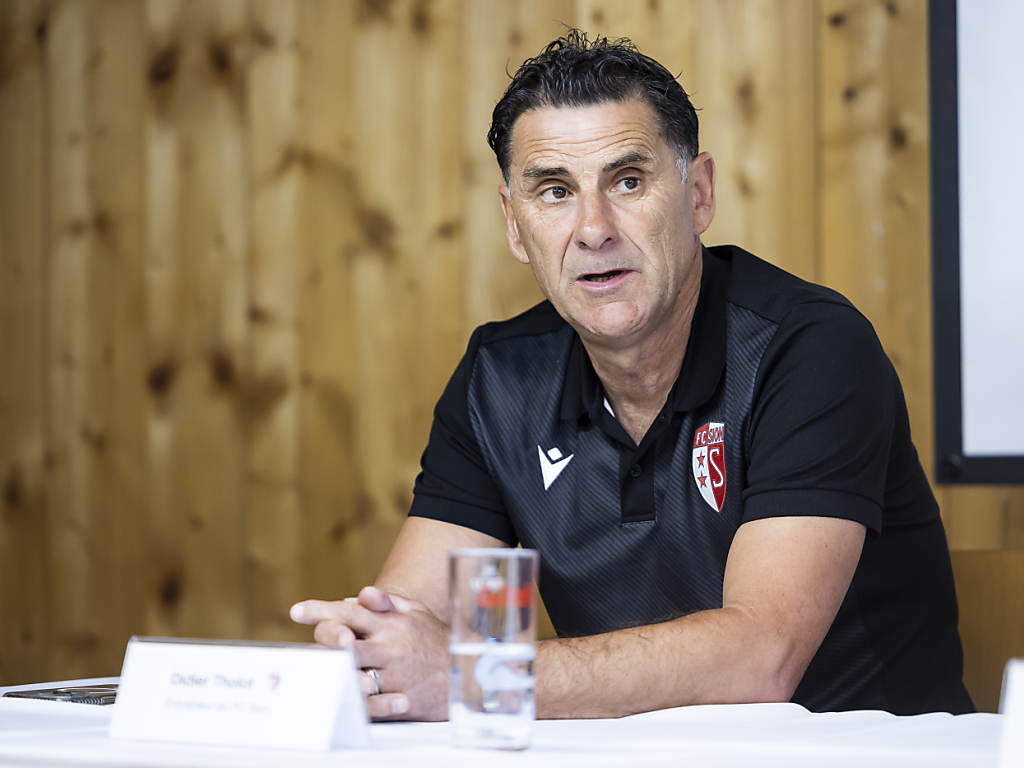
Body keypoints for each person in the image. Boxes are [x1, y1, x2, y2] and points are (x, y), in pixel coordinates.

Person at [290, 31, 973, 721]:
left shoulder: (811, 349)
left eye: (628, 181)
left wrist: (477, 675)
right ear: (515, 226)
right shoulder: (498, 378)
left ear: (698, 195)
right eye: (555, 191)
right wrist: (373, 657)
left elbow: (761, 656)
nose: (594, 229)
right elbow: (409, 621)